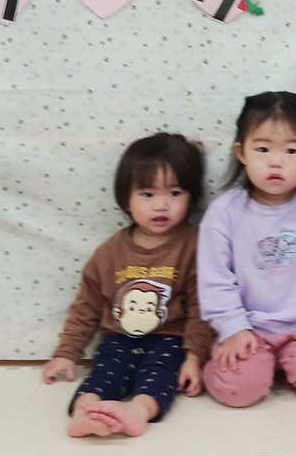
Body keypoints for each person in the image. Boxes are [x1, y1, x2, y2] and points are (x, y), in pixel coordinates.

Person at [42, 132, 213, 438]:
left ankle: (138, 411)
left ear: (192, 197)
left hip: (171, 339)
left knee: (160, 376)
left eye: (174, 193)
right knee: (104, 374)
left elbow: (202, 307)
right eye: (147, 194)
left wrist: (195, 356)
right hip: (119, 338)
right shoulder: (109, 252)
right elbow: (87, 306)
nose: (161, 205)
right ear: (126, 199)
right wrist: (67, 353)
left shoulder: (195, 246)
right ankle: (85, 411)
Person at [198, 91, 296, 407]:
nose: (276, 161)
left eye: (291, 150)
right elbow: (215, 280)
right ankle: (230, 365)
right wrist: (233, 328)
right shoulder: (225, 211)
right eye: (262, 149)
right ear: (241, 152)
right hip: (247, 328)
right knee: (240, 390)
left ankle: (283, 363)